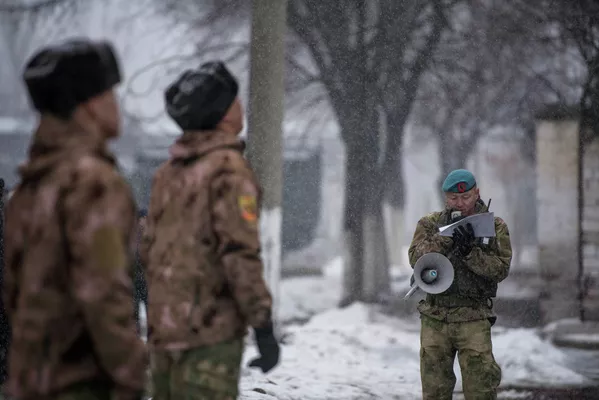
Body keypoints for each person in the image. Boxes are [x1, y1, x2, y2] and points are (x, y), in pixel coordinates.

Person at [3, 39, 147, 400]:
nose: (117, 105)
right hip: (82, 384)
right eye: (110, 94)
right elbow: (104, 293)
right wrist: (133, 375)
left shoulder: (31, 185)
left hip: (29, 380)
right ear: (89, 106)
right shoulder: (93, 182)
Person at [139, 61, 280, 399]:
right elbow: (239, 255)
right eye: (235, 99)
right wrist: (262, 326)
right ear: (223, 114)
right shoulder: (229, 171)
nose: (240, 105)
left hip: (163, 337)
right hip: (209, 338)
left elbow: (148, 252)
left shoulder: (167, 173)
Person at [408, 169, 512, 400]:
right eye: (454, 198)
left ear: (477, 193)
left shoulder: (495, 227)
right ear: (446, 198)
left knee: (480, 388)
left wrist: (470, 252)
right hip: (436, 316)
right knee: (435, 390)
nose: (460, 203)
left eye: (466, 197)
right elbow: (416, 258)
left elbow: (500, 270)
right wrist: (445, 238)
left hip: (473, 316)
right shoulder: (430, 224)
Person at [133, 208, 148, 335]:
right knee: (137, 307)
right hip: (137, 277)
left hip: (145, 278)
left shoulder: (147, 238)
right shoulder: (134, 239)